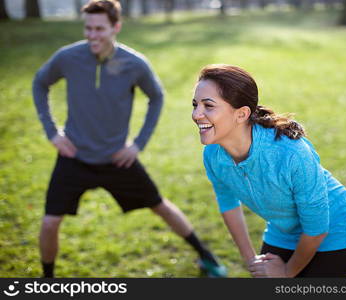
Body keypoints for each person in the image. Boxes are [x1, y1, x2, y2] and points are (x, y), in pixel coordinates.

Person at [32, 0, 226, 278]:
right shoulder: (67, 57)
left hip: (116, 158)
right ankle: (47, 278)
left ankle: (207, 258)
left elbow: (156, 97)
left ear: (116, 27)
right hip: (74, 156)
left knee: (160, 206)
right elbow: (40, 83)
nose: (92, 35)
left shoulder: (133, 64)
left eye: (100, 28)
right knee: (50, 223)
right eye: (88, 28)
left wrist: (137, 144)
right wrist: (52, 132)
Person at [191, 64, 346, 277]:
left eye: (208, 106)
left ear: (241, 114)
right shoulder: (212, 155)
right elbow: (228, 204)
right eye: (195, 104)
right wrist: (251, 260)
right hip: (283, 231)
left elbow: (317, 229)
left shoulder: (291, 153)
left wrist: (286, 273)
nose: (197, 114)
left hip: (334, 230)